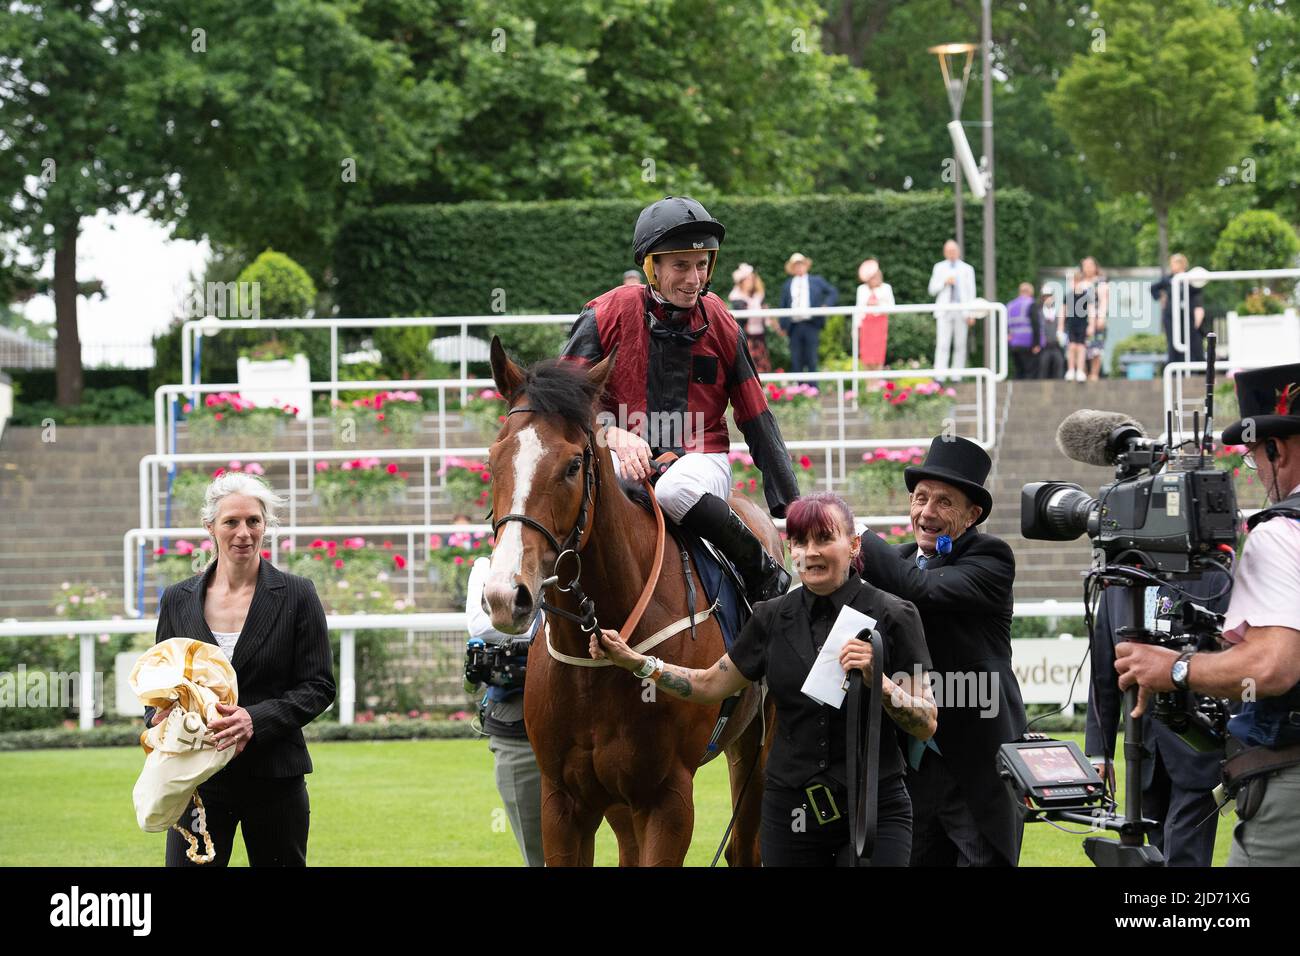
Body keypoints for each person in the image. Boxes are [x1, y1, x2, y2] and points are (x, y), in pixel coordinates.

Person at [589, 493, 937, 866]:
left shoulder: (896, 615)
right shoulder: (771, 617)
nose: (810, 551)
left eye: (824, 538)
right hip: (791, 814)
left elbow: (926, 723)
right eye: (800, 541)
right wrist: (638, 663)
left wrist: (881, 684)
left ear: (853, 546)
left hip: (874, 810)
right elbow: (708, 685)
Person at [560, 195, 799, 602]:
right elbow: (562, 403)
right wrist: (613, 434)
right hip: (619, 451)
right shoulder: (606, 313)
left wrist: (790, 505)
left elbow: (756, 415)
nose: (694, 279)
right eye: (680, 266)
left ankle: (763, 576)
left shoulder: (721, 321)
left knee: (674, 492)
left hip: (700, 459)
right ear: (651, 268)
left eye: (702, 264)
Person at [1116, 365, 1300, 867]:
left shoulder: (1281, 531)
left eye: (1252, 460)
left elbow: (1273, 667)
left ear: (1276, 450)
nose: (1257, 474)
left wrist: (1176, 669)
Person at [145, 472, 336, 867]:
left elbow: (318, 686)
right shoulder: (178, 600)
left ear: (266, 526)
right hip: (197, 782)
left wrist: (255, 719)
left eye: (254, 521)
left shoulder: (298, 594)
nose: (243, 532)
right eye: (231, 521)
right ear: (210, 527)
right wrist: (158, 718)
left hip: (275, 779)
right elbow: (159, 685)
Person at [855, 436, 1027, 866]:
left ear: (972, 515)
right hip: (907, 767)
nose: (927, 512)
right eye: (921, 498)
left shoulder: (991, 558)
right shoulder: (893, 563)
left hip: (974, 763)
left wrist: (851, 529)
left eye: (944, 502)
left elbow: (918, 590)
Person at [1086, 572, 1231, 866]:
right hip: (1142, 750)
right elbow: (1103, 670)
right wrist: (1101, 753)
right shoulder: (1116, 581)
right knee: (1150, 853)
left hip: (1198, 744)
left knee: (1183, 853)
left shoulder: (1212, 574)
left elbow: (1234, 658)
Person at [463, 556, 543, 866]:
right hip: (516, 724)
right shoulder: (485, 566)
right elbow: (481, 628)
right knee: (539, 854)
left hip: (594, 723)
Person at [778, 252, 838, 379]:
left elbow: (832, 292)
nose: (799, 268)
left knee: (812, 357)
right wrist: (782, 326)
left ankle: (813, 389)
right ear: (792, 268)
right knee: (796, 358)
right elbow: (783, 305)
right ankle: (799, 390)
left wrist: (826, 305)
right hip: (794, 326)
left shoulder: (816, 281)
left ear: (806, 266)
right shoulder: (788, 284)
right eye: (796, 265)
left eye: (801, 264)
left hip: (811, 324)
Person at [927, 240, 978, 381]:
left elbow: (971, 293)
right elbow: (932, 290)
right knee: (942, 344)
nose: (951, 254)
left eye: (953, 251)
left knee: (960, 344)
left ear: (958, 252)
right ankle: (940, 376)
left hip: (961, 310)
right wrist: (944, 282)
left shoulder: (967, 269)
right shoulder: (939, 268)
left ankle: (957, 376)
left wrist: (971, 313)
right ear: (945, 252)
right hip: (944, 310)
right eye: (948, 251)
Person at [1150, 254, 1207, 368]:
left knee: (1192, 341)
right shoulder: (1168, 279)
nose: (1171, 266)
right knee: (1173, 341)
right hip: (1171, 316)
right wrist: (1161, 297)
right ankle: (1174, 366)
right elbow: (1153, 288)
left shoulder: (1190, 279)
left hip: (1187, 316)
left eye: (1174, 263)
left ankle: (1195, 367)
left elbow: (1197, 294)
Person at [1062, 256, 1108, 382]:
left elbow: (1104, 301)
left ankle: (1094, 373)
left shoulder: (1100, 282)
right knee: (1079, 347)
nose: (1087, 268)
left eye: (1090, 265)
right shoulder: (1079, 283)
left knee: (1096, 348)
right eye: (1085, 265)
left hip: (1095, 318)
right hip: (1079, 320)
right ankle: (1082, 372)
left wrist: (1101, 318)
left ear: (1095, 267)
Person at [728, 262, 774, 373]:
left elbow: (765, 316)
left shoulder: (757, 296)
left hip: (759, 335)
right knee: (748, 366)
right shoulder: (737, 298)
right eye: (748, 280)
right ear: (741, 282)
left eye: (751, 279)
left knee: (762, 365)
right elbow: (741, 319)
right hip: (746, 337)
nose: (751, 282)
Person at [854, 259, 894, 371]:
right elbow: (858, 309)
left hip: (880, 324)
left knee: (878, 353)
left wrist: (878, 304)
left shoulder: (886, 288)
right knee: (866, 354)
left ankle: (877, 383)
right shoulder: (861, 289)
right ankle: (869, 385)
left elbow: (891, 307)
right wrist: (856, 328)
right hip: (866, 326)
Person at [1006, 282, 1037, 380]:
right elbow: (1036, 324)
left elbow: (1006, 324)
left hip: (1013, 343)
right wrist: (1036, 343)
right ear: (1030, 292)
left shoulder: (1010, 305)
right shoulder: (1030, 303)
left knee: (1018, 371)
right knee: (1029, 372)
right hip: (1027, 342)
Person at [1034, 283, 1065, 380]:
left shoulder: (1058, 311)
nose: (1047, 299)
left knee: (1059, 364)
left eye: (1049, 296)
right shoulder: (1038, 312)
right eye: (1045, 297)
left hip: (1056, 345)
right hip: (1044, 346)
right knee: (1043, 366)